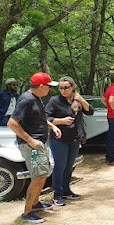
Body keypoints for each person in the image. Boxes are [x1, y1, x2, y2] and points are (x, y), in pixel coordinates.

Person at [7, 72, 60, 224]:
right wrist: (30, 140)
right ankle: (27, 213)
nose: (50, 89)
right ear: (41, 86)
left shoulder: (36, 99)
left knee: (42, 174)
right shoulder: (26, 100)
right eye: (49, 86)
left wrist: (52, 126)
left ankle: (35, 203)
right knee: (37, 178)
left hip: (39, 143)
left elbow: (40, 118)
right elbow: (12, 123)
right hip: (32, 146)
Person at [45, 76, 94, 206]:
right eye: (60, 88)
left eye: (66, 87)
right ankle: (57, 194)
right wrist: (61, 121)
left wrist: (81, 100)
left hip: (74, 139)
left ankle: (66, 190)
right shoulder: (54, 101)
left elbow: (91, 112)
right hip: (59, 139)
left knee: (69, 166)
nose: (63, 90)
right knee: (59, 166)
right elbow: (45, 118)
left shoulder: (76, 100)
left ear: (73, 87)